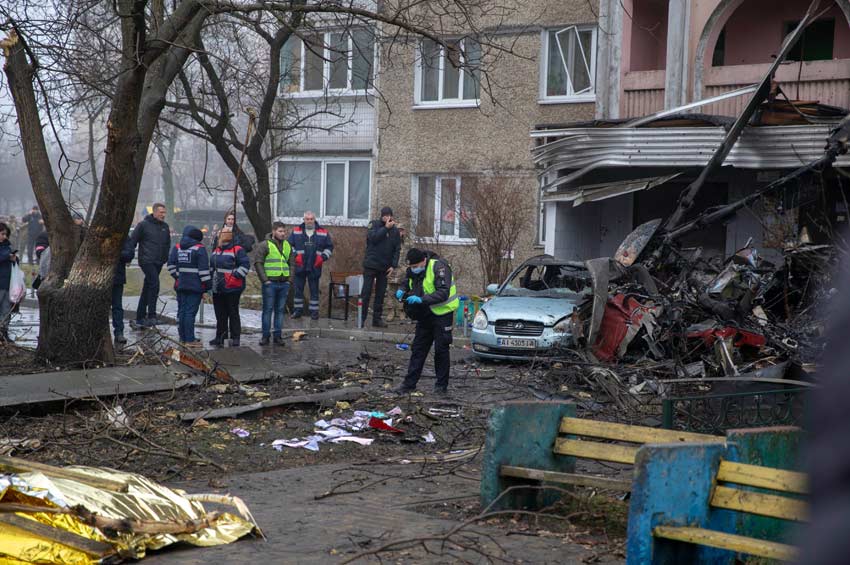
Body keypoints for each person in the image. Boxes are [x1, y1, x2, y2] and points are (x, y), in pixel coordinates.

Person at [394, 248, 459, 396]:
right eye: (411, 267)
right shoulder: (413, 269)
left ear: (424, 260)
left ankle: (441, 387)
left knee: (441, 350)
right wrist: (402, 290)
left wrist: (421, 299)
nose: (414, 269)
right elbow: (407, 281)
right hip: (425, 314)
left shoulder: (439, 267)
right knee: (418, 349)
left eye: (416, 266)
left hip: (443, 313)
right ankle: (409, 385)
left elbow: (443, 292)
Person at [127, 203, 171, 328]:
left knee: (148, 287)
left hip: (158, 261)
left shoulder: (165, 227)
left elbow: (167, 243)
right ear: (155, 212)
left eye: (164, 212)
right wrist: (129, 256)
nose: (163, 215)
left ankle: (140, 316)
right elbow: (132, 241)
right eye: (161, 212)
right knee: (154, 284)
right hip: (147, 260)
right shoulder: (143, 225)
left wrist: (165, 258)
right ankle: (152, 316)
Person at [167, 225, 210, 347]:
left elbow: (170, 265)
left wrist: (178, 276)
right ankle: (190, 340)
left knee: (182, 311)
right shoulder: (200, 249)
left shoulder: (177, 247)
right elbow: (203, 271)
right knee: (190, 313)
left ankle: (183, 338)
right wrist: (207, 286)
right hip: (195, 286)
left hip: (180, 285)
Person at [288, 211, 333, 320]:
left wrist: (322, 257)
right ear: (304, 220)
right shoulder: (296, 231)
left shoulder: (323, 232)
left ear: (314, 219)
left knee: (314, 291)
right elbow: (288, 246)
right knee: (298, 291)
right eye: (307, 219)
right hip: (300, 265)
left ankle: (314, 313)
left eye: (311, 219)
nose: (309, 221)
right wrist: (295, 256)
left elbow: (329, 247)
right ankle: (297, 312)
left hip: (315, 266)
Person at [209, 226, 250, 347]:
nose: (221, 235)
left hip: (232, 287)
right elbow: (212, 266)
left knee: (233, 312)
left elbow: (245, 265)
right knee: (220, 313)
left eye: (223, 233)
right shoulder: (216, 250)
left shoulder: (237, 250)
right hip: (218, 287)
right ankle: (220, 336)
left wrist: (235, 275)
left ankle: (235, 336)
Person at [361, 207, 401, 328]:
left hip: (384, 267)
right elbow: (373, 238)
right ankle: (361, 318)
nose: (387, 217)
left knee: (380, 294)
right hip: (371, 265)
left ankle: (377, 320)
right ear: (381, 216)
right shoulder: (374, 224)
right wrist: (385, 228)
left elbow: (397, 249)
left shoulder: (395, 231)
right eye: (385, 215)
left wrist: (393, 266)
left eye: (389, 215)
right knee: (366, 293)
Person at [255, 221, 292, 346]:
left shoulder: (287, 245)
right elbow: (258, 263)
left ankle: (277, 336)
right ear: (274, 231)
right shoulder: (264, 245)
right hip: (270, 283)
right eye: (280, 231)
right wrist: (265, 280)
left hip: (283, 283)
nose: (283, 234)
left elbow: (292, 263)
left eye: (284, 231)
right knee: (268, 310)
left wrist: (289, 280)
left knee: (280, 311)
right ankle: (265, 336)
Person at [112, 236, 135, 345]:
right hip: (100, 277)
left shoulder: (124, 236)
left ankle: (119, 332)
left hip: (117, 277)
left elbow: (129, 255)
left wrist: (114, 252)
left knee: (117, 306)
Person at [0, 222, 19, 342]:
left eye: (5, 234)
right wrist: (7, 256)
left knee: (6, 311)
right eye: (2, 234)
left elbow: (16, 264)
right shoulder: (6, 250)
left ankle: (3, 334)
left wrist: (14, 259)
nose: (4, 236)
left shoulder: (8, 246)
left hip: (7, 284)